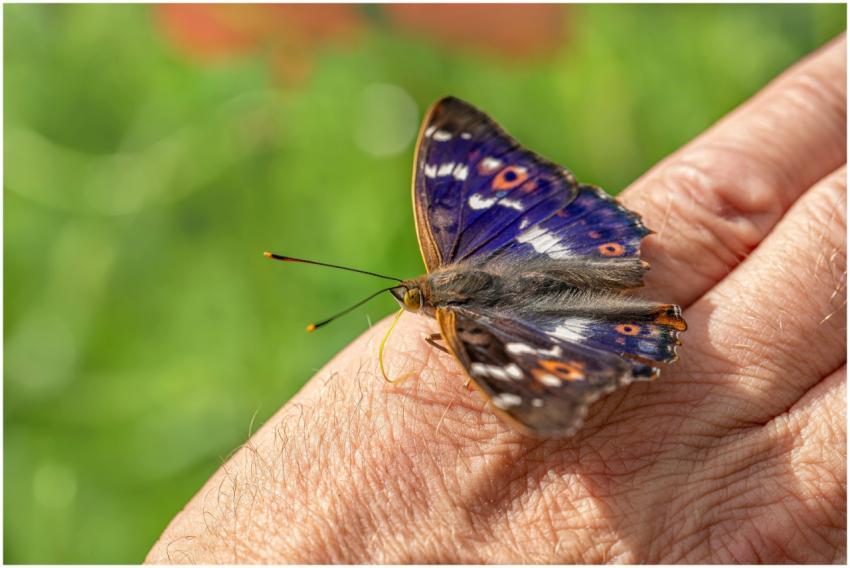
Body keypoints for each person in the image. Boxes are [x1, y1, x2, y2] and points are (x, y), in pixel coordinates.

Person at [146, 36, 846, 564]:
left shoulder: (462, 326)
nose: (409, 300)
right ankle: (622, 309)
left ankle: (631, 327)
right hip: (558, 246)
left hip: (549, 302)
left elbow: (523, 384)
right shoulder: (451, 240)